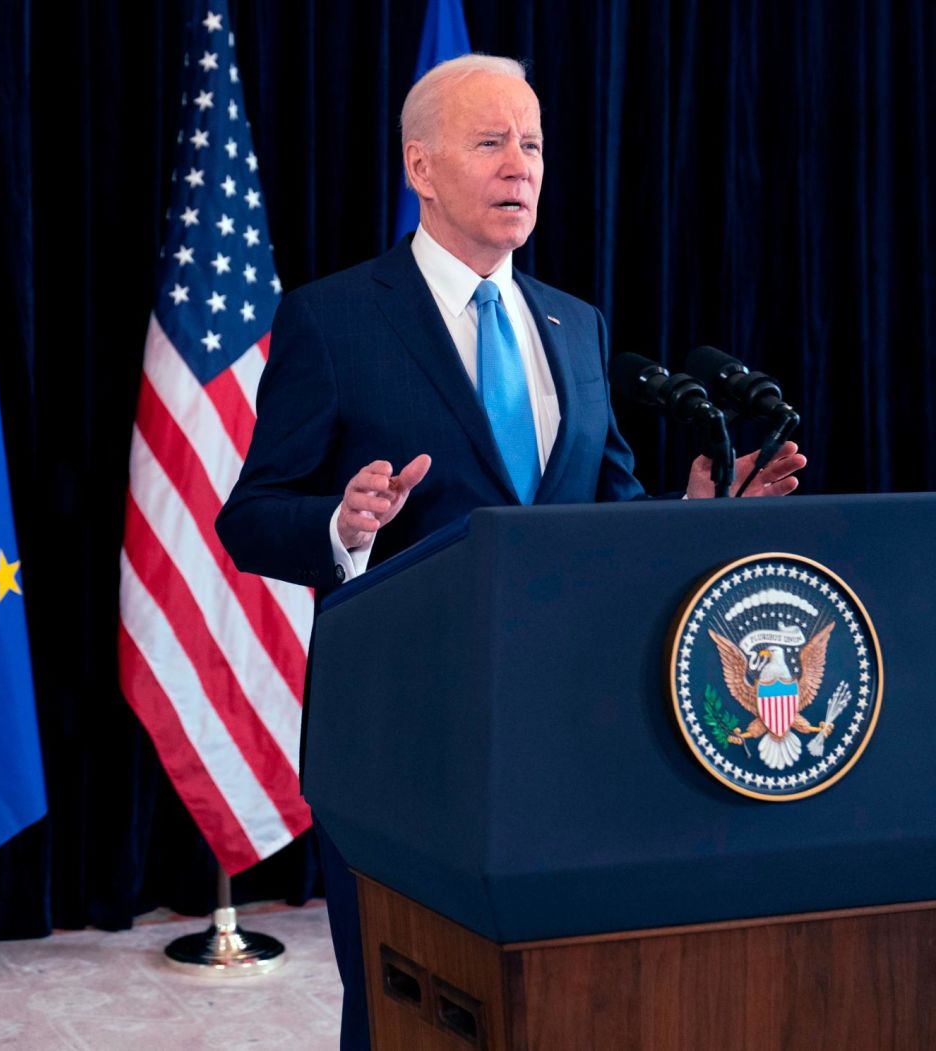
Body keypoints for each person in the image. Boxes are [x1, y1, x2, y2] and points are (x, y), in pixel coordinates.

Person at [215, 55, 805, 1049]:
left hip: (560, 734)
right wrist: (341, 523)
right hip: (400, 735)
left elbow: (599, 524)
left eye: (530, 144)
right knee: (407, 1002)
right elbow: (249, 513)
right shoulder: (336, 316)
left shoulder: (575, 326)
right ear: (422, 167)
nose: (518, 166)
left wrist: (695, 509)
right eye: (489, 142)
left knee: (549, 996)